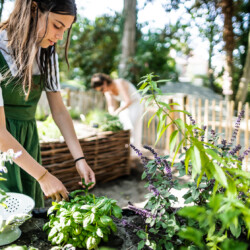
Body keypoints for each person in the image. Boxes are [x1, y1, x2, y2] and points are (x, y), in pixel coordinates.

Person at [0, 0, 95, 208]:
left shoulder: (46, 52)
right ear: (34, 10)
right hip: (4, 147)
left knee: (29, 214)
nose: (60, 36)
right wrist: (42, 176)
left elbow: (59, 110)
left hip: (28, 143)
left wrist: (80, 159)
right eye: (57, 26)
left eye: (65, 30)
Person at [91, 73, 143, 155]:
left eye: (101, 89)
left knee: (132, 127)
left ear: (104, 82)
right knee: (125, 125)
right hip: (125, 105)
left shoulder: (119, 83)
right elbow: (111, 106)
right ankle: (126, 151)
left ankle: (134, 154)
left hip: (135, 103)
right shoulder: (107, 91)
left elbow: (128, 101)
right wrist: (112, 114)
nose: (102, 91)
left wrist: (117, 111)